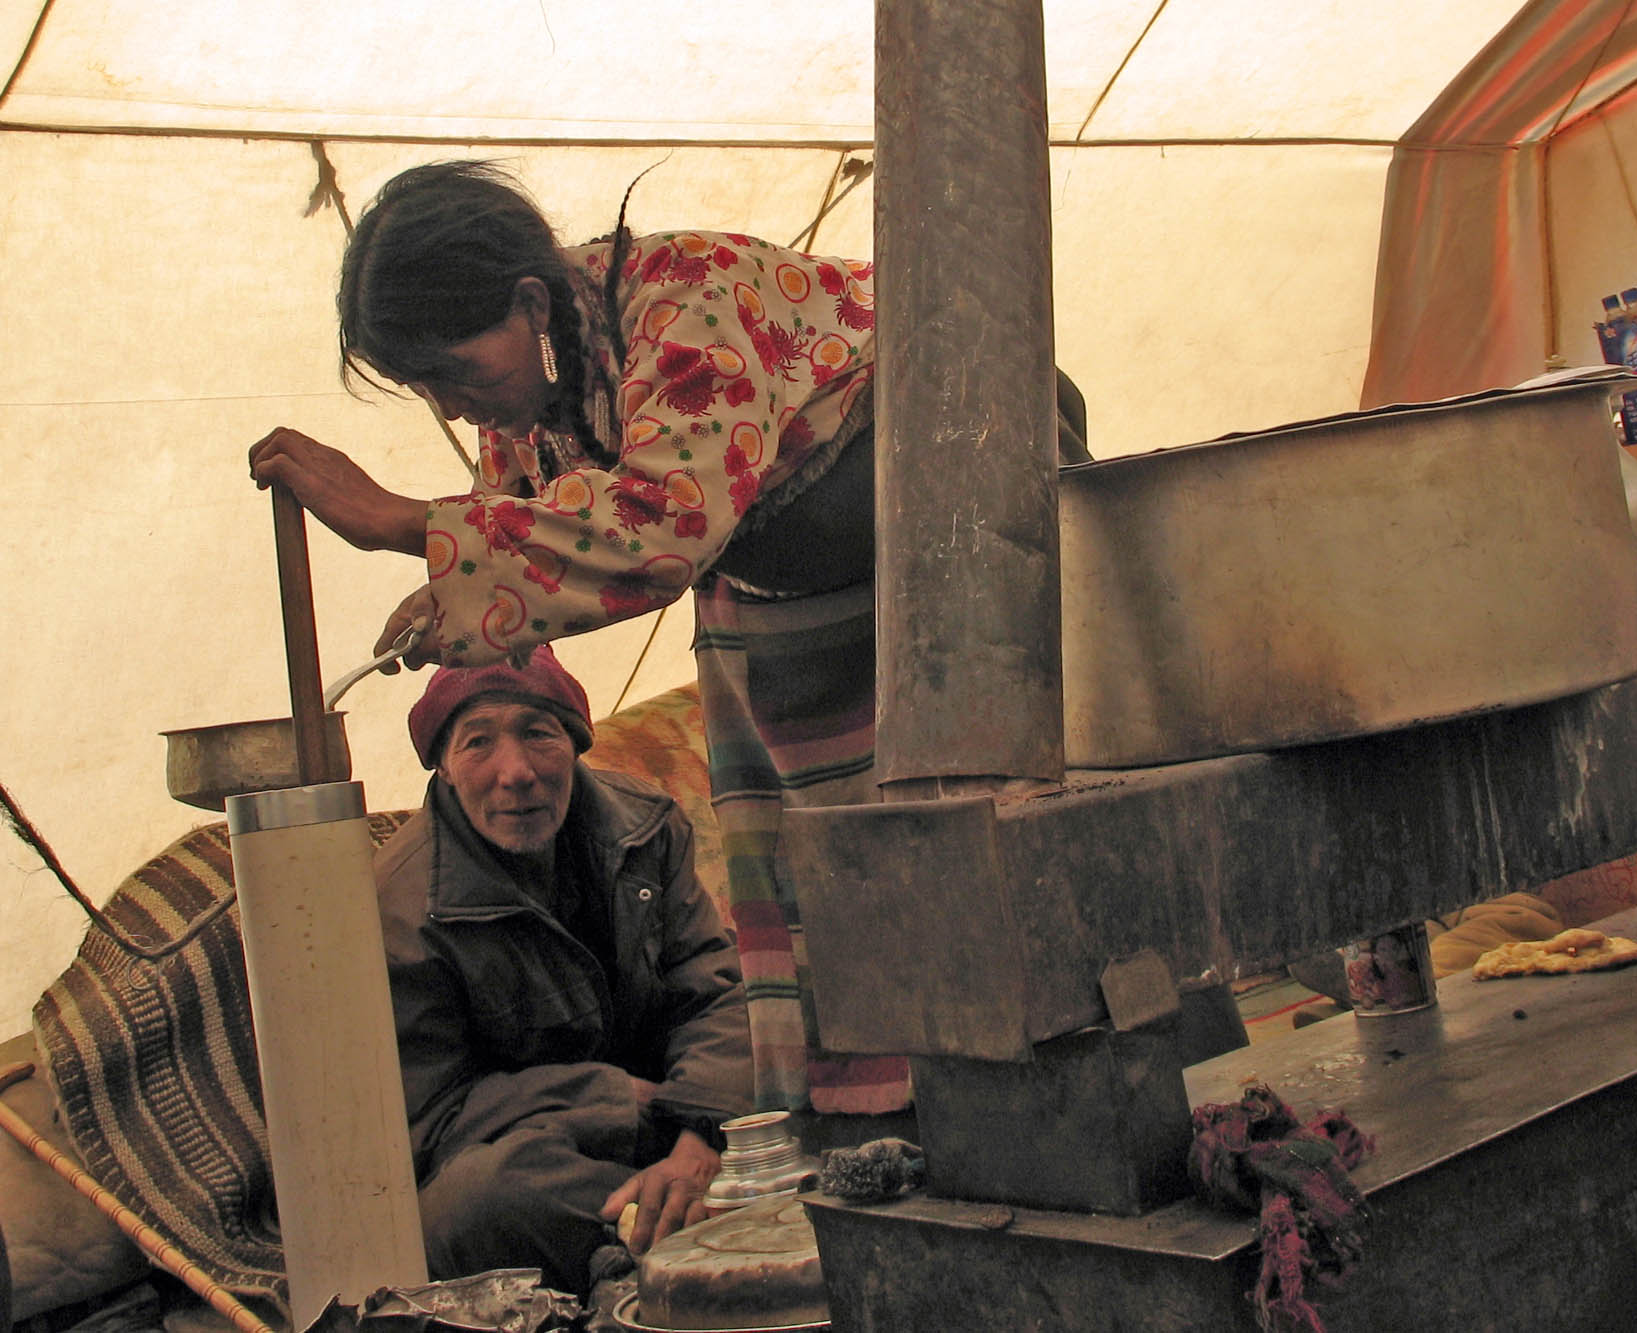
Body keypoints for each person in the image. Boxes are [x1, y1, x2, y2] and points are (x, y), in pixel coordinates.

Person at [249, 160, 1086, 1119]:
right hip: (796, 577)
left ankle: (1020, 1096)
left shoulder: (685, 301)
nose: (451, 407)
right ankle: (880, 1120)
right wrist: (442, 602)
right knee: (829, 883)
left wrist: (398, 519)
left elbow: (663, 523)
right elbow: (524, 531)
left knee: (973, 846)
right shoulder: (533, 413)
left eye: (457, 373)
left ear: (529, 303)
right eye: (425, 388)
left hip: (961, 488)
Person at [373, 645, 753, 1292]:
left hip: (676, 1125)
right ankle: (686, 1239)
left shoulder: (645, 830)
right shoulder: (404, 907)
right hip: (542, 1163)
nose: (515, 770)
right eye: (478, 743)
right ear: (442, 762)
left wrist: (695, 1138)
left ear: (576, 741)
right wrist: (606, 1100)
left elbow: (712, 992)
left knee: (809, 1037)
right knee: (471, 1203)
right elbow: (429, 1119)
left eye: (538, 733)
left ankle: (672, 1231)